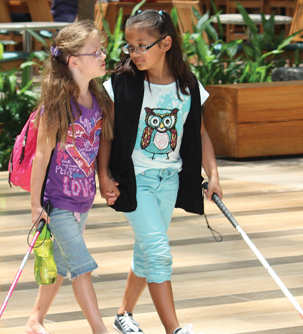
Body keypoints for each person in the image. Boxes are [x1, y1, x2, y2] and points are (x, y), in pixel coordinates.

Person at [97, 9, 223, 334]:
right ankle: (175, 330)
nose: (135, 53)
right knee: (158, 251)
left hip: (169, 179)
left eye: (143, 45)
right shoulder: (121, 85)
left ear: (165, 43)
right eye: (130, 47)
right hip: (135, 179)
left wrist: (214, 175)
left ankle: (123, 314)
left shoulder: (188, 86)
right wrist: (104, 176)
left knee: (146, 249)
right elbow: (107, 135)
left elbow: (200, 134)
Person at [24, 20, 115, 334]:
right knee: (82, 268)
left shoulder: (97, 100)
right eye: (96, 51)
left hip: (83, 201)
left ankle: (35, 320)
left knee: (62, 266)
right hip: (58, 204)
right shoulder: (58, 106)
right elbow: (41, 156)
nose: (103, 55)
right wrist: (36, 206)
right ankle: (100, 330)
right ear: (74, 61)